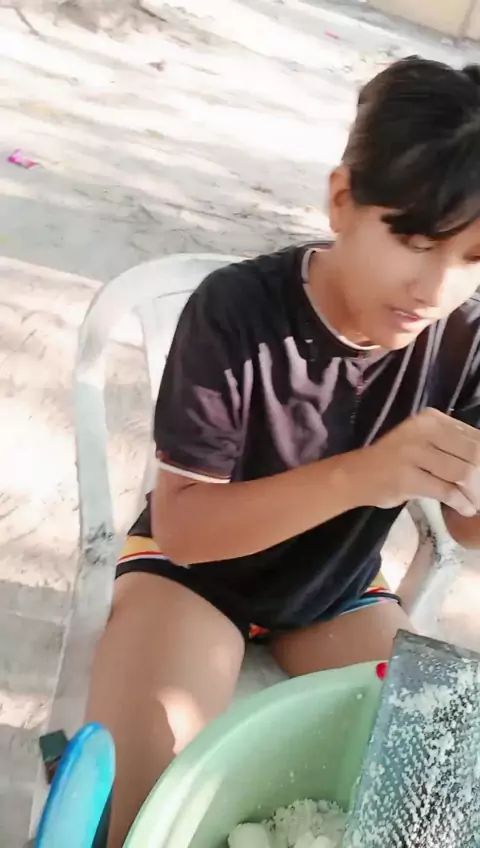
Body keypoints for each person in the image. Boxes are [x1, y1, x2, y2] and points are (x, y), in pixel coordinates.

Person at [86, 56, 480, 846]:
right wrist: (363, 475)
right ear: (342, 200)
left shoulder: (464, 339)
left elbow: (467, 530)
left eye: (473, 260)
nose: (435, 288)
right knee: (143, 816)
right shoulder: (234, 312)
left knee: (437, 779)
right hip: (194, 580)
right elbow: (186, 530)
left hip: (336, 590)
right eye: (412, 240)